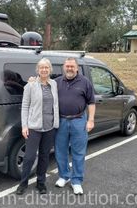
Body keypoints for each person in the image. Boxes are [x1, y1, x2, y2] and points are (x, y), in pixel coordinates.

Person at [16, 58, 59, 195]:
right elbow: (25, 106)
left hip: (49, 127)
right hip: (34, 127)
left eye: (47, 67)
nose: (44, 70)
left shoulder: (54, 84)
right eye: (42, 67)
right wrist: (24, 126)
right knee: (29, 157)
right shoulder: (31, 85)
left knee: (45, 156)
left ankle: (41, 182)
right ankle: (23, 183)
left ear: (50, 69)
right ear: (38, 70)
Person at [54, 57, 96, 195]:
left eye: (72, 66)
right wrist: (33, 81)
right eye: (67, 66)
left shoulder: (85, 82)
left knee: (78, 152)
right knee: (61, 151)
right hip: (61, 121)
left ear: (77, 68)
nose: (69, 68)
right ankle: (64, 176)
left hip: (79, 121)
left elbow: (91, 102)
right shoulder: (57, 82)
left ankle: (76, 181)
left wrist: (90, 120)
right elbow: (43, 87)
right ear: (63, 67)